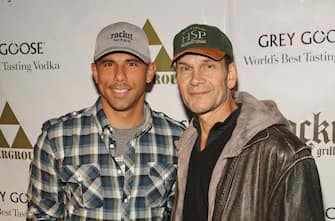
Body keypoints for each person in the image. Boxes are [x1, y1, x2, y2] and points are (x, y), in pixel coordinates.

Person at [26, 21, 185, 221]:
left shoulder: (177, 139)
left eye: (132, 64)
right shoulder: (57, 139)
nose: (120, 76)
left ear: (150, 72)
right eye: (109, 64)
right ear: (95, 72)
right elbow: (41, 217)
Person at [170, 24, 325, 221]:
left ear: (231, 75)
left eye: (208, 66)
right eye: (185, 68)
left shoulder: (282, 152)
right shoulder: (186, 144)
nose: (195, 79)